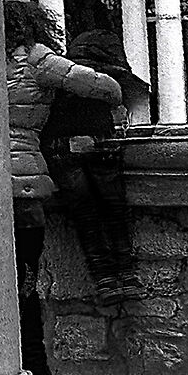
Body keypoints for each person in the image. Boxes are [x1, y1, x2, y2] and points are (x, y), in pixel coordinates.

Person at [5, 0, 122, 375]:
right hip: (22, 184)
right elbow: (102, 86)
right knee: (26, 281)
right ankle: (36, 367)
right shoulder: (37, 60)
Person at [40, 25, 146, 299]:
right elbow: (133, 105)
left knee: (85, 214)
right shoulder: (111, 83)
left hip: (62, 150)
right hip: (103, 144)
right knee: (114, 208)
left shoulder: (60, 77)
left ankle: (105, 278)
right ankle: (127, 274)